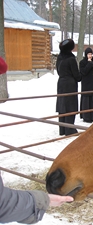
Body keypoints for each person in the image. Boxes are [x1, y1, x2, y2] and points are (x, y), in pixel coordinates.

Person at [0, 58, 73, 224]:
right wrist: (43, 200)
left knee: (65, 110)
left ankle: (65, 129)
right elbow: (2, 205)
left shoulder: (63, 60)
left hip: (63, 87)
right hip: (70, 87)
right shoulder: (71, 61)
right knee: (70, 109)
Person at [56, 39, 81, 136]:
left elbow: (58, 71)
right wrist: (80, 76)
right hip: (70, 84)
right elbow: (77, 75)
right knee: (70, 106)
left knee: (62, 105)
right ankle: (69, 129)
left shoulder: (59, 58)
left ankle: (62, 129)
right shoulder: (71, 59)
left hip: (61, 83)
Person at [79, 47, 93, 123]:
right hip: (86, 84)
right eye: (88, 54)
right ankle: (86, 116)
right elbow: (84, 72)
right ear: (86, 54)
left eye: (91, 54)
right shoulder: (82, 63)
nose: (90, 56)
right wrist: (89, 64)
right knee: (86, 100)